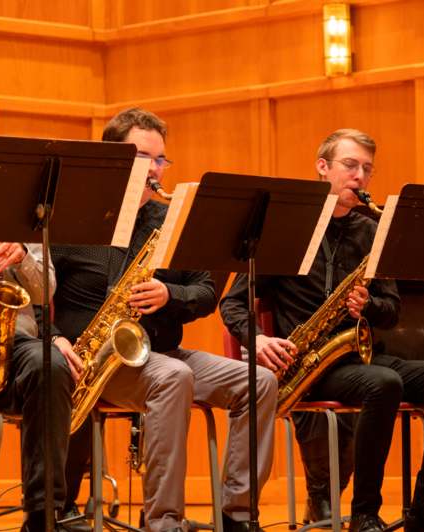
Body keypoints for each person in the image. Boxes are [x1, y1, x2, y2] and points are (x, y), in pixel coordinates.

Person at [221, 128, 424, 532]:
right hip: (308, 365)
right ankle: (364, 512)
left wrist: (369, 306)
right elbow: (231, 302)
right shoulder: (285, 228)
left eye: (367, 169)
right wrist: (259, 339)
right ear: (323, 168)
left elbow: (391, 310)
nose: (359, 176)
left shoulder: (371, 232)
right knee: (384, 383)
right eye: (350, 165)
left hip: (360, 356)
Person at [51, 108, 277, 532]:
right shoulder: (73, 219)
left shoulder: (170, 222)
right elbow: (36, 291)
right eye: (143, 157)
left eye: (160, 160)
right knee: (172, 377)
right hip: (94, 361)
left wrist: (170, 294)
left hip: (161, 351)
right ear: (113, 160)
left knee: (259, 381)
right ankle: (164, 521)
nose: (154, 170)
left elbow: (207, 294)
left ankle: (238, 513)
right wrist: (55, 339)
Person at [0, 91, 73, 531]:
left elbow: (45, 291)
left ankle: (44, 514)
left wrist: (24, 254)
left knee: (51, 365)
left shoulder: (18, 204)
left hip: (9, 341)